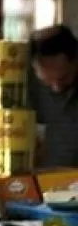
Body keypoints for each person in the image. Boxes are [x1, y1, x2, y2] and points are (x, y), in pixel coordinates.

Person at [29, 24, 78, 167]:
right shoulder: (28, 85)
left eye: (63, 78)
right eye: (47, 81)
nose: (56, 88)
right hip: (45, 180)